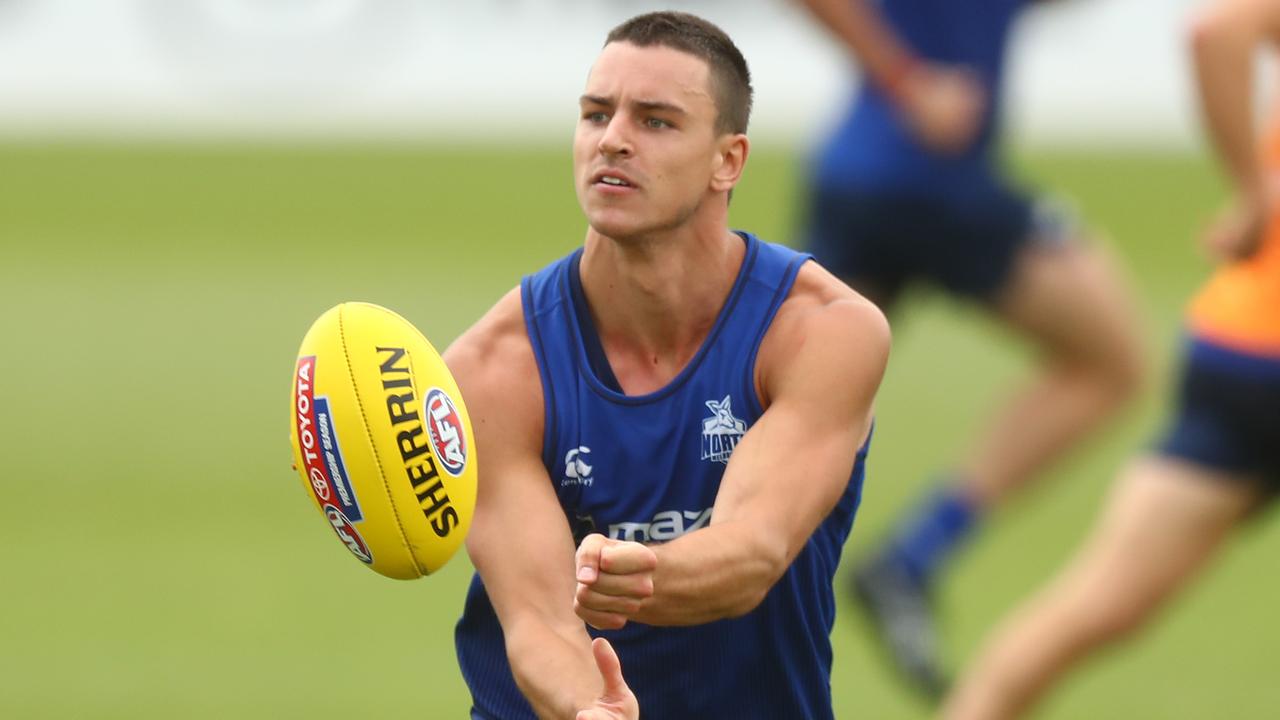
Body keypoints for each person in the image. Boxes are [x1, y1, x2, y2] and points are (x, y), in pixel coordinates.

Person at [445, 11, 891, 719]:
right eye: (596, 114)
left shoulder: (823, 331)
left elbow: (751, 554)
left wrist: (621, 569)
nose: (613, 139)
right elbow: (537, 620)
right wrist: (593, 707)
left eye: (655, 121)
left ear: (728, 161)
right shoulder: (492, 366)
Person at [793, 0, 1147, 698]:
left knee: (774, 403)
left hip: (866, 174)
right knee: (1112, 361)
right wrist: (909, 81)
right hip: (924, 179)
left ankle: (653, 572)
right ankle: (913, 555)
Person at [941, 1, 1280, 717]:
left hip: (1243, 348)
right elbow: (1216, 31)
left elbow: (1218, 29)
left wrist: (1254, 195)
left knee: (1089, 607)